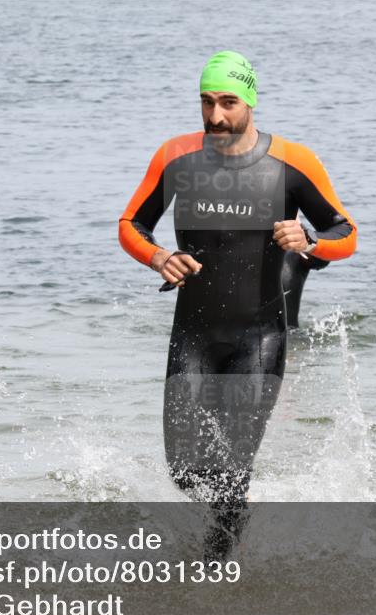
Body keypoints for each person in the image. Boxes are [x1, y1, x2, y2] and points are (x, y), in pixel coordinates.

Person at [118, 51, 356, 532]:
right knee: (185, 472)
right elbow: (131, 223)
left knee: (230, 470)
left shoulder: (292, 161)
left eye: (228, 102)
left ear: (250, 102)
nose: (215, 116)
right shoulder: (176, 157)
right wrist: (159, 257)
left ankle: (220, 563)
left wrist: (309, 240)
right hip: (193, 336)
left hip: (259, 338)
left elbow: (345, 232)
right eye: (206, 102)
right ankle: (238, 527)